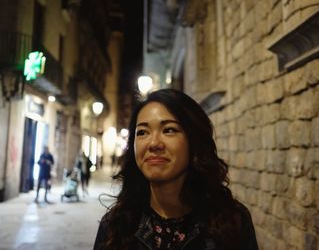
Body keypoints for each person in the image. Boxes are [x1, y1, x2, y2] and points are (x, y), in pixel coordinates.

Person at [94, 89, 259, 250]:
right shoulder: (115, 227)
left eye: (169, 130)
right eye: (142, 132)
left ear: (194, 141)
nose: (153, 144)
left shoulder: (232, 223)